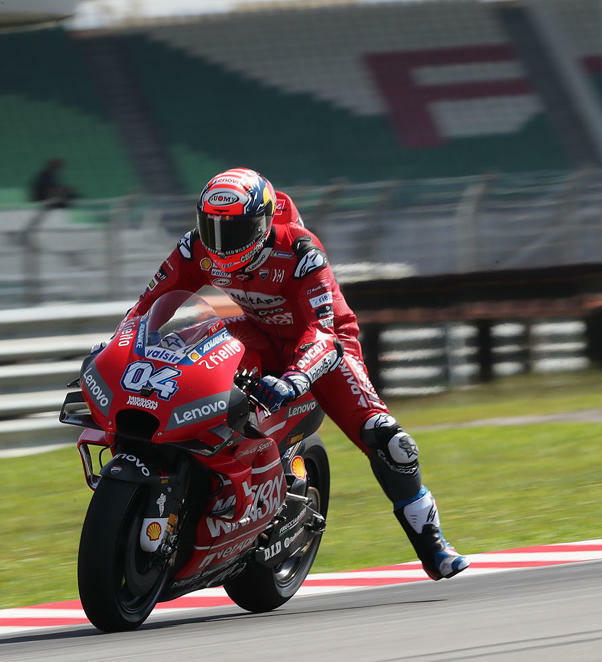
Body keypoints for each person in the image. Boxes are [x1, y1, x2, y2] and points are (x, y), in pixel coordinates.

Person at [130, 167, 470, 581]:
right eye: (211, 227)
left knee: (390, 441)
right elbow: (149, 304)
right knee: (185, 365)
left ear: (262, 221)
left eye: (234, 230)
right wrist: (126, 347)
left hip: (321, 346)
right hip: (254, 332)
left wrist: (296, 378)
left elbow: (323, 331)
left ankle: (431, 544)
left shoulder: (302, 251)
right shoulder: (194, 248)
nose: (220, 243)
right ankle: (205, 491)